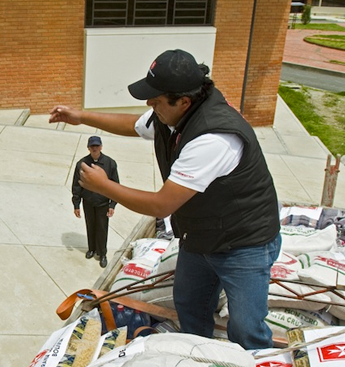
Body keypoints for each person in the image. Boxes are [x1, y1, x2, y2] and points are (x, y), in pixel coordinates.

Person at [48, 49, 280, 350]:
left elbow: (162, 205)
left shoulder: (213, 138)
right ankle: (199, 359)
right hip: (201, 236)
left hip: (244, 243)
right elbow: (134, 125)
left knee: (247, 326)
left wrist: (103, 186)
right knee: (190, 306)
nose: (149, 105)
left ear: (183, 101)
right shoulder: (174, 114)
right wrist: (80, 117)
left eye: (155, 101)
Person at [72, 135, 119, 268]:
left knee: (102, 229)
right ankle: (91, 249)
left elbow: (115, 184)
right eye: (92, 146)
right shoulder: (82, 164)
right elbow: (76, 184)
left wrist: (112, 204)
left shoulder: (110, 163)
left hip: (103, 203)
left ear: (101, 147)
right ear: (88, 148)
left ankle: (102, 253)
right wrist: (76, 204)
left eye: (97, 146)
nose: (95, 148)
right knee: (90, 225)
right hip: (88, 202)